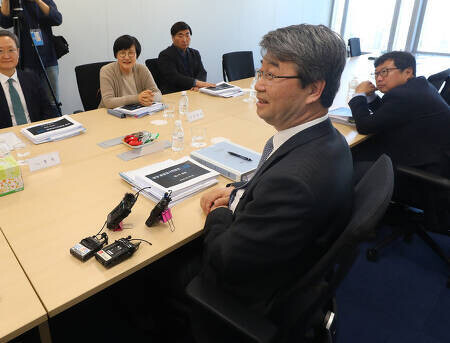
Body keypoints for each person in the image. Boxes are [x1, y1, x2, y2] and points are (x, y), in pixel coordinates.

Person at [129, 24, 353, 342]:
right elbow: (272, 181)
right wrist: (237, 191)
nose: (257, 86)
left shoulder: (293, 183)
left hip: (248, 293)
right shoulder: (325, 140)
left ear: (314, 89)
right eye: (259, 73)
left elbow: (224, 261)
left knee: (144, 265)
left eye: (272, 76)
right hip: (287, 261)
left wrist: (220, 213)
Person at [348, 51, 450, 185]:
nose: (378, 79)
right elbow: (388, 113)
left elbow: (364, 127)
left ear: (408, 72)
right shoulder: (418, 86)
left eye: (384, 72)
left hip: (424, 167)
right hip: (434, 155)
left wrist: (359, 95)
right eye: (377, 74)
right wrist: (371, 96)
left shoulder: (403, 95)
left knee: (348, 153)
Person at [0, 30, 56, 133]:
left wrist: (41, 132)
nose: (6, 56)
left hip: (37, 134)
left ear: (18, 52)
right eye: (0, 51)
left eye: (11, 50)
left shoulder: (32, 78)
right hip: (5, 141)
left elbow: (48, 109)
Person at [0, 0, 62, 106]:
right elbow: (3, 22)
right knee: (31, 104)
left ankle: (54, 122)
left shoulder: (45, 1)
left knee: (52, 102)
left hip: (49, 60)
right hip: (26, 62)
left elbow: (57, 19)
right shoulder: (14, 3)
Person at [99, 35, 162, 109]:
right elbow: (108, 102)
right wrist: (137, 98)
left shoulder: (142, 69)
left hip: (136, 111)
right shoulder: (107, 71)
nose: (126, 57)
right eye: (122, 53)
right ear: (116, 55)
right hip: (110, 114)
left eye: (131, 53)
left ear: (136, 55)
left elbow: (158, 94)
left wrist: (148, 98)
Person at [157, 21, 215, 93]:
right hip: (174, 93)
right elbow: (174, 77)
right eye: (180, 36)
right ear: (173, 38)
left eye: (187, 35)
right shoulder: (165, 55)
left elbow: (202, 72)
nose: (184, 40)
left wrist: (197, 86)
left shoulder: (195, 53)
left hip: (193, 91)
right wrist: (197, 83)